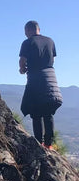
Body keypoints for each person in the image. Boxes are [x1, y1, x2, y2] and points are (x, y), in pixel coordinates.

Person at [19, 20, 63, 149]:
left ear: (28, 30)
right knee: (48, 113)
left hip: (35, 80)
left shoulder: (27, 42)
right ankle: (49, 144)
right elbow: (53, 60)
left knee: (35, 112)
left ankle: (39, 143)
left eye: (25, 32)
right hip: (51, 79)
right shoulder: (50, 41)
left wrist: (23, 70)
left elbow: (22, 61)